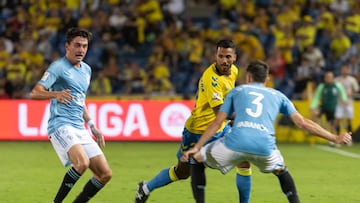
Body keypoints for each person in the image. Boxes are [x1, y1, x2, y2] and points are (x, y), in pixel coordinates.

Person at [181, 60, 352, 203]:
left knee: (197, 160)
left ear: (248, 77)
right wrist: (334, 137)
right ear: (267, 79)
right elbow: (303, 123)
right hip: (265, 147)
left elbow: (217, 121)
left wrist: (198, 147)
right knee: (281, 170)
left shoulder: (237, 91)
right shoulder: (278, 95)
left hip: (236, 142)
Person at [135, 39, 252, 203]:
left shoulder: (234, 71)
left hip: (220, 129)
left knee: (244, 160)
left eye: (228, 56)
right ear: (215, 56)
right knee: (181, 172)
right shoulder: (211, 79)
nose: (224, 61)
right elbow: (219, 112)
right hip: (197, 132)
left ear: (235, 57)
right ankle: (145, 188)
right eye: (220, 56)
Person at [29, 27, 112, 203]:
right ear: (67, 46)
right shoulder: (58, 67)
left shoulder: (86, 70)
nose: (81, 50)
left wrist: (92, 126)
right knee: (82, 163)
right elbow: (35, 92)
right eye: (77, 45)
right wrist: (55, 94)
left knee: (105, 174)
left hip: (79, 128)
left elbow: (79, 101)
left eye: (84, 46)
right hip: (60, 125)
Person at [310, 71, 348, 135]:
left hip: (333, 108)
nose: (328, 78)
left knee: (332, 124)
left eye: (330, 77)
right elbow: (317, 96)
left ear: (333, 78)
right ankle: (313, 131)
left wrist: (345, 100)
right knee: (315, 113)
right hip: (323, 106)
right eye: (327, 77)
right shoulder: (322, 86)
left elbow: (343, 93)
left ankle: (334, 138)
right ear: (324, 78)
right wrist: (313, 106)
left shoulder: (337, 85)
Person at [334, 64, 359, 145]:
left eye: (346, 69)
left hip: (348, 103)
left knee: (349, 121)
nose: (344, 71)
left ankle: (349, 140)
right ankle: (337, 139)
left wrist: (351, 93)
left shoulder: (352, 80)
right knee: (337, 120)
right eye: (343, 69)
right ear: (341, 70)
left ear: (348, 70)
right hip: (339, 103)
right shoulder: (337, 80)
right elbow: (334, 90)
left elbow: (356, 90)